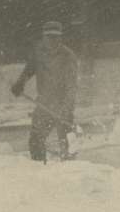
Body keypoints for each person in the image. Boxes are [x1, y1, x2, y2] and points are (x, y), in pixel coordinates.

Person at [10, 21, 79, 162]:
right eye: (49, 37)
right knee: (36, 140)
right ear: (43, 37)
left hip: (62, 105)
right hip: (44, 103)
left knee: (67, 145)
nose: (52, 41)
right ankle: (39, 170)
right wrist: (20, 83)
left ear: (60, 38)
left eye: (55, 37)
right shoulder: (38, 52)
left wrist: (65, 109)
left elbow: (72, 86)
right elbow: (29, 70)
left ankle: (69, 174)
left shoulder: (68, 56)